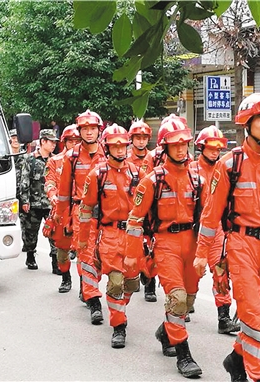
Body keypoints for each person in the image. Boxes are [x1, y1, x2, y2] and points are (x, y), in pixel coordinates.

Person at [194, 93, 260, 382]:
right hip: (241, 245)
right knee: (253, 315)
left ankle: (235, 359)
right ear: (248, 123)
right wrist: (202, 253)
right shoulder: (229, 164)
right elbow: (211, 214)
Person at [125, 118, 204, 378]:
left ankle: (164, 330)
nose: (181, 149)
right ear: (164, 147)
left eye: (184, 143)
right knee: (178, 298)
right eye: (175, 144)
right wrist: (133, 257)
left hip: (191, 243)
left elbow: (209, 217)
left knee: (188, 300)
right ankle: (184, 355)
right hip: (166, 243)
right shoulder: (152, 180)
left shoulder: (197, 178)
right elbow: (135, 221)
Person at [79, 124, 146, 348]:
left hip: (134, 235)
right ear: (106, 148)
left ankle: (120, 308)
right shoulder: (97, 174)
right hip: (109, 235)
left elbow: (149, 206)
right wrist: (83, 239)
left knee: (131, 283)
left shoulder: (137, 173)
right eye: (115, 146)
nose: (120, 150)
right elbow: (86, 208)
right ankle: (119, 327)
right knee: (115, 282)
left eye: (123, 146)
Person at [55, 110, 106, 324]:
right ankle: (94, 301)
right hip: (81, 213)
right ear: (80, 131)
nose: (89, 132)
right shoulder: (71, 157)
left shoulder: (109, 152)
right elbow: (64, 191)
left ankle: (90, 285)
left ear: (98, 131)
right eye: (85, 129)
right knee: (86, 257)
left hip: (107, 214)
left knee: (104, 258)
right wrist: (62, 217)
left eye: (92, 128)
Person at [190, 125, 240, 335]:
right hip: (192, 229)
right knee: (190, 275)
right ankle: (181, 305)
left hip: (216, 229)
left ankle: (223, 317)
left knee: (221, 272)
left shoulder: (226, 169)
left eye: (218, 147)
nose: (215, 151)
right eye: (211, 147)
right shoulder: (191, 169)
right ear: (202, 147)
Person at [44, 124, 81, 286]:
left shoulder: (88, 162)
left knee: (84, 252)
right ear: (64, 142)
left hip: (81, 211)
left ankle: (85, 287)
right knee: (61, 251)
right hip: (62, 211)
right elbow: (49, 182)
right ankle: (66, 278)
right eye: (70, 141)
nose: (74, 144)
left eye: (77, 141)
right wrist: (52, 195)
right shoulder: (54, 161)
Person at [126, 120, 158, 303]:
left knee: (150, 246)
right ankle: (133, 275)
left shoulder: (153, 157)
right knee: (132, 245)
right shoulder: (125, 159)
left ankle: (150, 285)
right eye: (137, 138)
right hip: (131, 209)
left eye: (144, 138)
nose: (141, 141)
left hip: (150, 210)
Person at [19, 129, 59, 270]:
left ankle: (56, 262)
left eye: (55, 142)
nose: (54, 144)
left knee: (54, 233)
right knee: (31, 233)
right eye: (51, 141)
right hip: (34, 203)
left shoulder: (55, 160)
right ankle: (30, 255)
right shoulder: (29, 159)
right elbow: (24, 181)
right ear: (43, 141)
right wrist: (24, 201)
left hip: (50, 203)